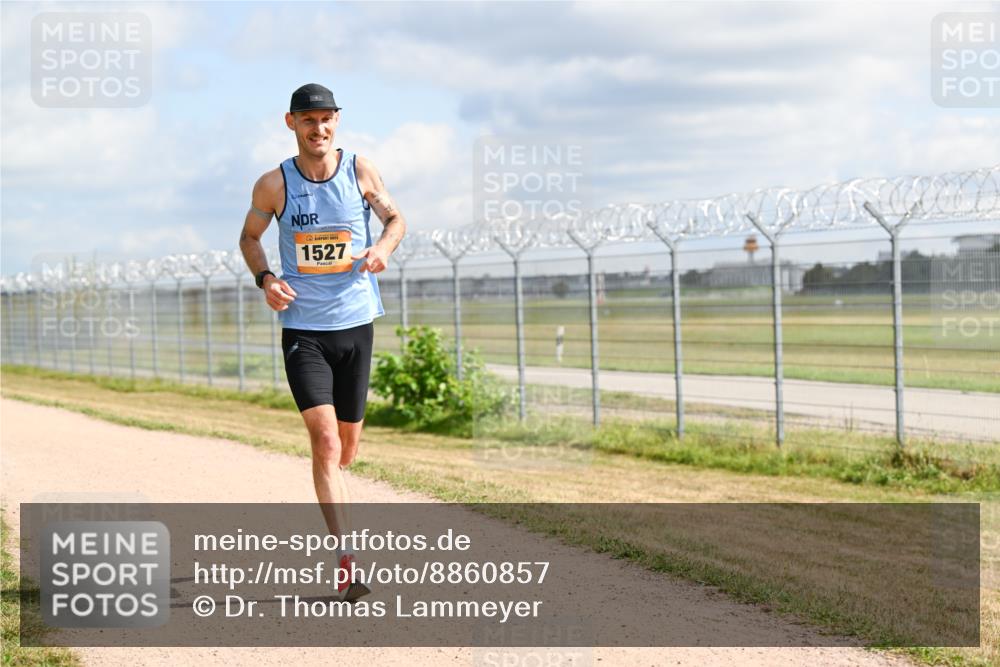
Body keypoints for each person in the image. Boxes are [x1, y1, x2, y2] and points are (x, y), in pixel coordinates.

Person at [239, 83, 406, 602]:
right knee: (326, 442)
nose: (320, 129)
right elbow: (249, 237)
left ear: (337, 121)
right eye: (309, 121)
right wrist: (267, 279)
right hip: (303, 329)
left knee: (347, 448)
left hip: (356, 323)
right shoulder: (274, 184)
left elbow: (396, 220)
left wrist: (381, 248)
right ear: (292, 123)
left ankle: (332, 491)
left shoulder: (360, 172)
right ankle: (347, 561)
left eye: (327, 119)